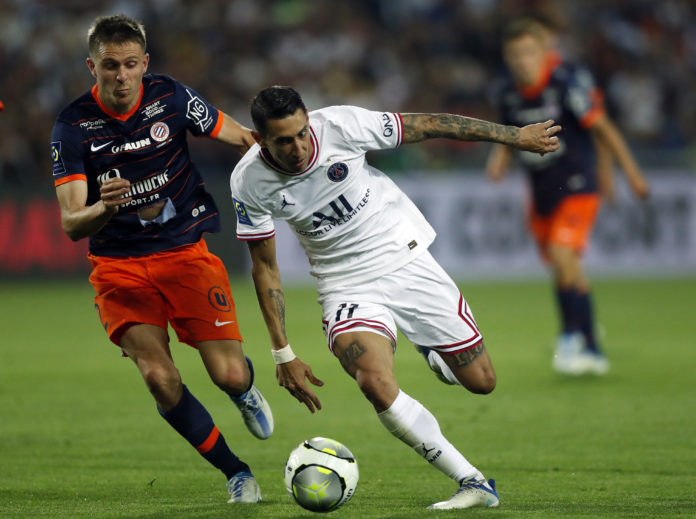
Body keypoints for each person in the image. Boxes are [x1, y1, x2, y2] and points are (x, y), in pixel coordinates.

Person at [229, 85, 560, 509]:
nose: (298, 148)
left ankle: (432, 350)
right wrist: (282, 352)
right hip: (344, 283)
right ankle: (473, 482)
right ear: (260, 140)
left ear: (309, 119)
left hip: (404, 257)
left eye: (302, 134)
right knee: (374, 381)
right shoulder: (249, 181)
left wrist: (514, 137)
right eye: (283, 141)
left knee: (482, 382)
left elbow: (431, 124)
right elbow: (265, 267)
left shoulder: (343, 126)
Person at [50, 14, 272, 504]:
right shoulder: (72, 126)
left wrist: (289, 161)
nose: (122, 76)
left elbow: (237, 135)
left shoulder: (169, 95)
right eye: (111, 66)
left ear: (145, 63)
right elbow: (71, 222)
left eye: (131, 64)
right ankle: (236, 472)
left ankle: (243, 391)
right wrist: (104, 207)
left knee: (230, 374)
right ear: (92, 67)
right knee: (159, 378)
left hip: (185, 252)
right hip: (119, 267)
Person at [486, 18, 650, 376]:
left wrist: (631, 174)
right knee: (564, 266)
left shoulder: (565, 85)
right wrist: (498, 159)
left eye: (528, 52)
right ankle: (578, 334)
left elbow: (604, 128)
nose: (522, 60)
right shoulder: (507, 91)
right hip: (541, 189)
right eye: (515, 54)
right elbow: (509, 132)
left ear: (544, 53)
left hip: (577, 184)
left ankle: (584, 343)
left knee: (563, 255)